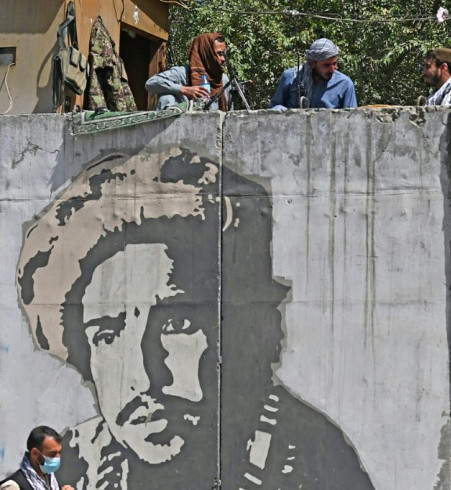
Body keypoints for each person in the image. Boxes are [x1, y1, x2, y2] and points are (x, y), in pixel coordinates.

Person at [16, 149, 374, 490]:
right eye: (107, 334)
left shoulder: (308, 460)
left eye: (176, 325)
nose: (142, 377)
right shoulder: (80, 461)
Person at [145, 32, 230, 110]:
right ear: (206, 54)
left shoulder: (223, 80)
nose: (223, 59)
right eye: (219, 54)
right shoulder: (182, 73)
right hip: (183, 123)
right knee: (167, 97)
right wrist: (184, 90)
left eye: (224, 54)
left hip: (213, 123)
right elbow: (150, 83)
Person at [270, 38, 357, 110]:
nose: (332, 69)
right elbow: (275, 107)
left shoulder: (345, 84)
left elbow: (351, 118)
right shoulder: (291, 77)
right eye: (327, 65)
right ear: (312, 64)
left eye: (334, 64)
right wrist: (289, 114)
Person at [0, 426, 74, 490]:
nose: (58, 457)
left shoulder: (52, 480)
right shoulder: (13, 486)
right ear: (35, 453)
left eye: (59, 452)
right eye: (52, 454)